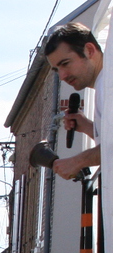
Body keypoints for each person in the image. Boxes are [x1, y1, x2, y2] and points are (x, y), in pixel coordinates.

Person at [46, 22, 103, 181]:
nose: (62, 76)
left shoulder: (108, 85)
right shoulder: (103, 85)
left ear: (89, 50)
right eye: (57, 70)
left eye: (65, 64)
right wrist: (88, 127)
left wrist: (77, 161)